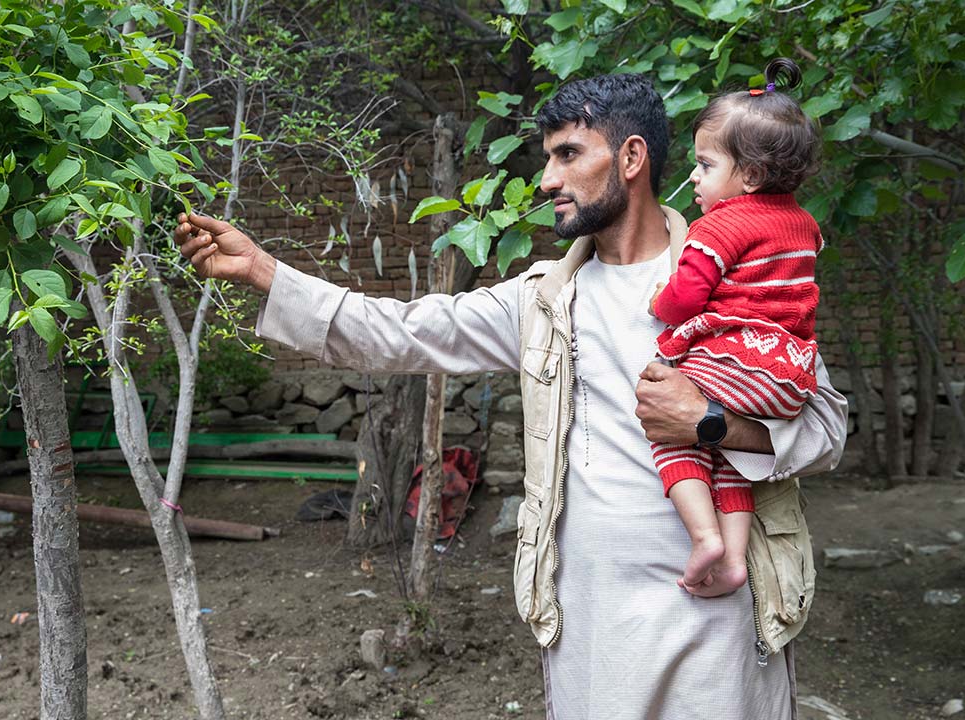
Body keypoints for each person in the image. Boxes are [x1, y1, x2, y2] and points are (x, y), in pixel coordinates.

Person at [174, 72, 847, 720]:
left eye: (568, 155)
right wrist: (264, 272)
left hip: (717, 613)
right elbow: (398, 333)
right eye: (547, 158)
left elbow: (825, 430)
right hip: (588, 619)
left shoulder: (732, 273)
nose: (549, 179)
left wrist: (707, 425)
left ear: (632, 157)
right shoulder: (541, 300)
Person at [646, 58, 824, 600]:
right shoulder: (804, 224)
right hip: (792, 374)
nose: (693, 177)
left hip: (738, 359)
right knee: (729, 455)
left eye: (704, 164)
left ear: (749, 175)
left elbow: (687, 297)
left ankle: (704, 537)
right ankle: (734, 561)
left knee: (668, 428)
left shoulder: (721, 223)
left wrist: (658, 300)